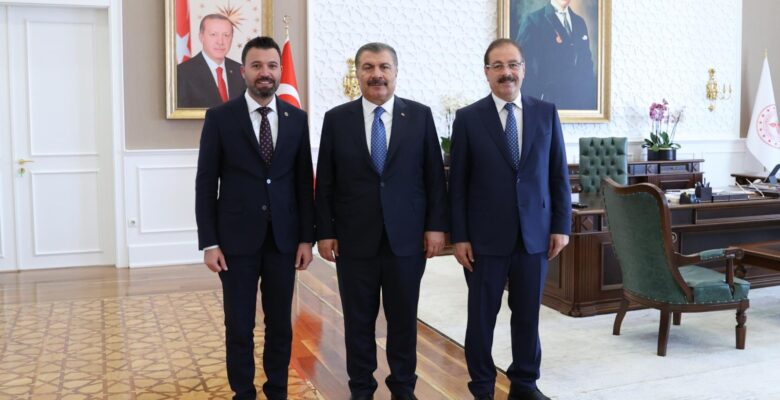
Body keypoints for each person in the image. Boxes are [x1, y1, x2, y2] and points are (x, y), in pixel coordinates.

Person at [315, 42, 448, 400]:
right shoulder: (336, 119)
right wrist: (324, 231)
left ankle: (403, 388)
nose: (377, 74)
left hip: (407, 239)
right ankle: (361, 388)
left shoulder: (419, 116)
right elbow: (325, 181)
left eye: (384, 67)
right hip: (353, 239)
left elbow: (434, 178)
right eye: (368, 67)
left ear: (395, 72)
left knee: (403, 320)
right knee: (358, 321)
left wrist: (436, 227)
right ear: (357, 73)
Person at [449, 38, 571, 400]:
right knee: (481, 318)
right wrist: (460, 236)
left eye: (513, 64)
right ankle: (482, 387)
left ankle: (525, 384)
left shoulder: (546, 113)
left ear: (524, 69)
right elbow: (458, 184)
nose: (507, 72)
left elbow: (558, 174)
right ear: (486, 72)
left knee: (528, 315)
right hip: (483, 239)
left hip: (534, 235)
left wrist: (561, 226)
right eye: (498, 66)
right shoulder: (468, 118)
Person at [195, 36, 314, 400]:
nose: (266, 72)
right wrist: (210, 242)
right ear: (243, 71)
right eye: (257, 65)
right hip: (235, 242)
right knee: (239, 325)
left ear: (280, 70)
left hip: (283, 240)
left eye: (272, 66)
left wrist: (306, 238)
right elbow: (206, 183)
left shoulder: (296, 119)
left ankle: (277, 389)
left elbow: (302, 182)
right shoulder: (220, 118)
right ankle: (243, 391)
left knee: (280, 324)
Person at [515, 0, 597, 110]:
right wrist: (537, 98)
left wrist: (588, 98)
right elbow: (520, 65)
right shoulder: (533, 21)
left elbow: (587, 63)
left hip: (578, 103)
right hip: (547, 103)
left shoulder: (579, 22)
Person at [178, 14, 246, 108]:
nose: (220, 42)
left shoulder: (241, 71)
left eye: (226, 35)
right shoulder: (182, 73)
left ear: (232, 38)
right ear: (201, 37)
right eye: (213, 34)